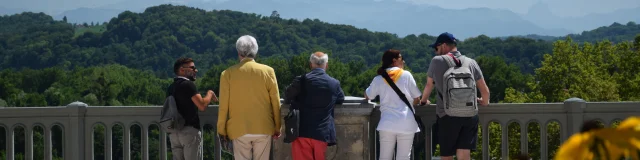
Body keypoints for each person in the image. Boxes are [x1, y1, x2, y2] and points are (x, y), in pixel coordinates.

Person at [420, 32, 490, 160]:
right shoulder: (471, 62)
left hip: (447, 115)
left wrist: (423, 101)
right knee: (464, 154)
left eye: (436, 48)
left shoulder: (437, 61)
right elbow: (484, 90)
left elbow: (429, 85)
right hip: (469, 115)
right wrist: (484, 102)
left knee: (446, 155)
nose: (435, 52)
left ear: (444, 45)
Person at [217, 35, 281, 160]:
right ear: (255, 51)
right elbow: (275, 101)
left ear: (238, 51)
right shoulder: (268, 71)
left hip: (238, 128)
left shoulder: (227, 74)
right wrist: (277, 126)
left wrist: (221, 129)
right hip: (263, 126)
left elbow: (223, 106)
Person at [284, 52, 345, 160]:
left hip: (301, 132)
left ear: (310, 64)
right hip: (322, 134)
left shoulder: (301, 80)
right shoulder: (334, 83)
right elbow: (340, 99)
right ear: (326, 65)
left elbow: (287, 96)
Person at [365, 49, 422, 160]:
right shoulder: (406, 75)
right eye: (401, 58)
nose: (404, 61)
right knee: (404, 157)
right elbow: (417, 98)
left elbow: (368, 96)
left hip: (387, 122)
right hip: (406, 122)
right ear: (394, 60)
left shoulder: (379, 78)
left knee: (385, 157)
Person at [167, 57, 217, 160]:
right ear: (182, 69)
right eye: (192, 68)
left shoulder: (171, 87)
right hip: (189, 131)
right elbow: (202, 105)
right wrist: (210, 93)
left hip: (174, 132)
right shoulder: (188, 85)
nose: (196, 70)